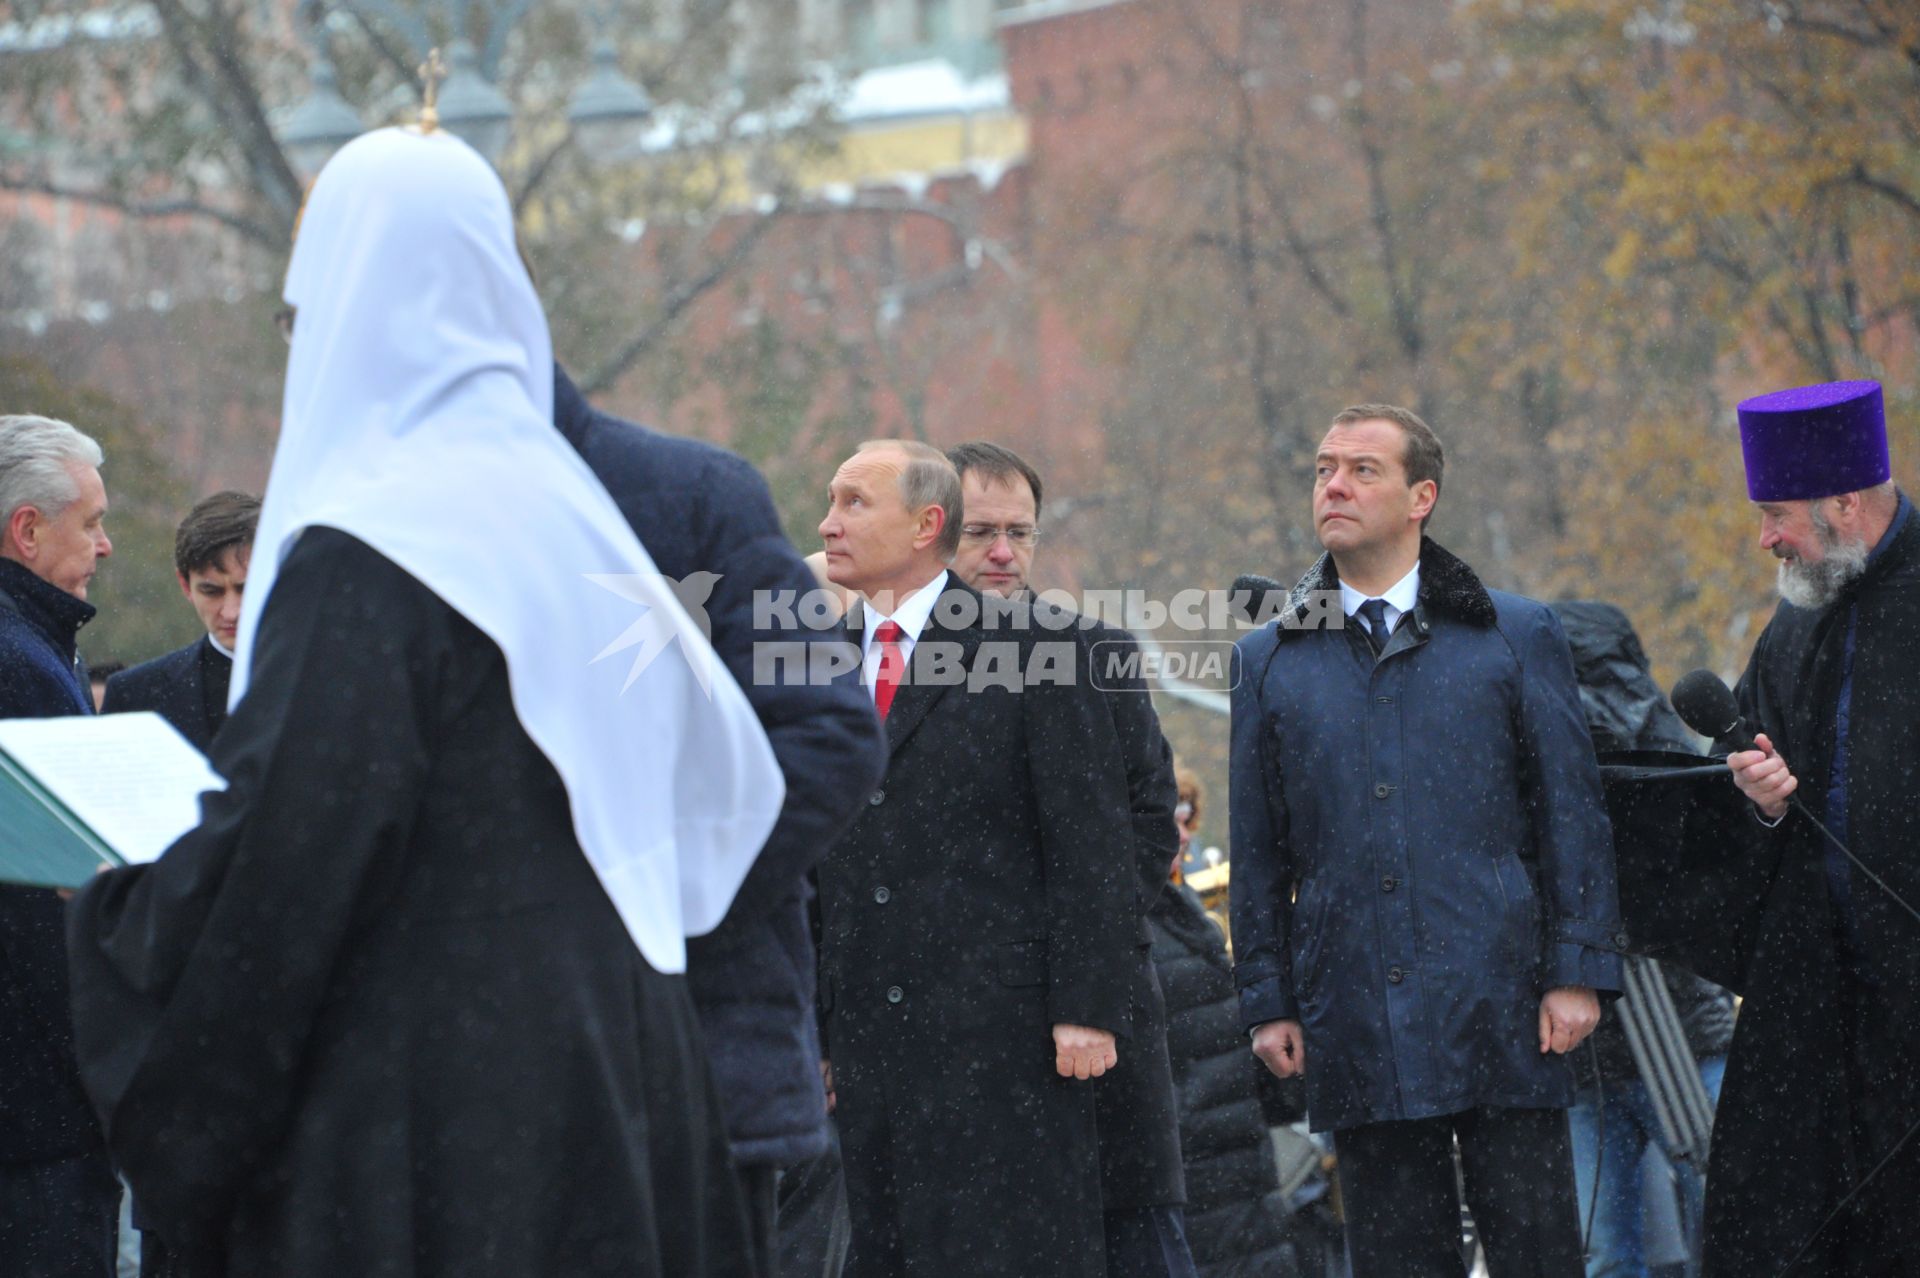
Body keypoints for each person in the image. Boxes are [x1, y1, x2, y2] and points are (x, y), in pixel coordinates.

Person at [62, 127, 785, 1276]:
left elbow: (291, 865)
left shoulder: (370, 553)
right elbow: (718, 791)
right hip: (617, 1078)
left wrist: (110, 905)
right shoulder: (566, 522)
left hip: (441, 1118)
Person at [1230, 403, 1624, 1278]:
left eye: (1362, 469)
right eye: (1324, 467)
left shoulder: (1516, 635)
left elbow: (1572, 814)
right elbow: (1258, 848)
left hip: (1507, 999)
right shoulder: (1268, 659)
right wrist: (1268, 996)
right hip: (1355, 1007)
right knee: (1397, 1259)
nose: (1333, 484)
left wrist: (1577, 971)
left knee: (1536, 1253)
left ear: (1422, 497)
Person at [552, 364, 886, 1277]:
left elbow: (825, 739)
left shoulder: (689, 499)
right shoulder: (351, 526)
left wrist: (652, 892)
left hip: (688, 1052)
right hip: (454, 1089)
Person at [814, 439, 1136, 1277]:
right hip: (871, 1047)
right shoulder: (820, 658)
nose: (827, 524)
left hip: (1007, 1041)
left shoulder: (1035, 645)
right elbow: (815, 860)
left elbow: (1092, 840)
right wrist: (812, 1026)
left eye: (854, 503)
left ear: (925, 525)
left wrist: (1088, 1006)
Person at [944, 440, 1192, 1278]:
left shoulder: (1093, 652)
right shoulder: (884, 661)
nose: (1005, 552)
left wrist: (1067, 949)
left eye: (1021, 530)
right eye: (981, 531)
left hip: (1090, 1027)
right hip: (942, 1035)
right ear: (932, 533)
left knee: (1130, 1244)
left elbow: (1151, 825)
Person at [1705, 380, 1919, 1276]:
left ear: (1845, 502)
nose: (1766, 540)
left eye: (1776, 513)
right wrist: (1760, 800)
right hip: (1822, 1013)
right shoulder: (1793, 628)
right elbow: (1756, 793)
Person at [0, 413, 118, 1277]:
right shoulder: (21, 666)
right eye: (92, 522)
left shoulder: (36, 647)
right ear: (28, 530)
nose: (107, 546)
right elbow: (45, 901)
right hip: (35, 1114)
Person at [1151, 769, 1306, 1278]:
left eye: (1188, 818)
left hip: (1237, 1175)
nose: (1186, 833)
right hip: (1206, 1181)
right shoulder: (1147, 920)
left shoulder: (1181, 912)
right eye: (1171, 818)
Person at [102, 491, 259, 751]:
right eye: (211, 591)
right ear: (185, 585)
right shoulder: (135, 695)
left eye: (246, 589)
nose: (231, 612)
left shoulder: (334, 681)